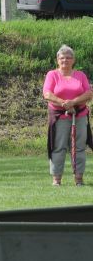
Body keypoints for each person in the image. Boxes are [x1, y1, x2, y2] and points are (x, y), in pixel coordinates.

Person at [43, 45, 93, 186]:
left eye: (68, 57)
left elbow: (88, 93)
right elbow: (47, 94)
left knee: (79, 147)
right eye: (62, 57)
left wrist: (73, 102)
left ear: (73, 60)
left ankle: (79, 179)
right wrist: (63, 103)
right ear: (57, 60)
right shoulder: (52, 75)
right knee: (58, 147)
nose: (65, 60)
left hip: (80, 115)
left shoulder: (80, 75)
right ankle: (56, 179)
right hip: (59, 116)